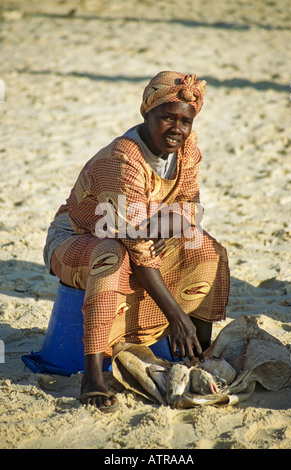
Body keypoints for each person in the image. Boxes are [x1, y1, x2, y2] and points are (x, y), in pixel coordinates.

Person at [43, 71, 230, 409]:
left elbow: (191, 208)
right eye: (166, 118)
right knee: (112, 254)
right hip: (78, 237)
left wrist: (160, 227)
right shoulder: (123, 160)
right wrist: (176, 316)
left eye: (184, 121)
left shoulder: (188, 151)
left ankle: (197, 351)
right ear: (146, 113)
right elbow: (135, 246)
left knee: (205, 247)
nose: (176, 129)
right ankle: (93, 374)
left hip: (140, 229)